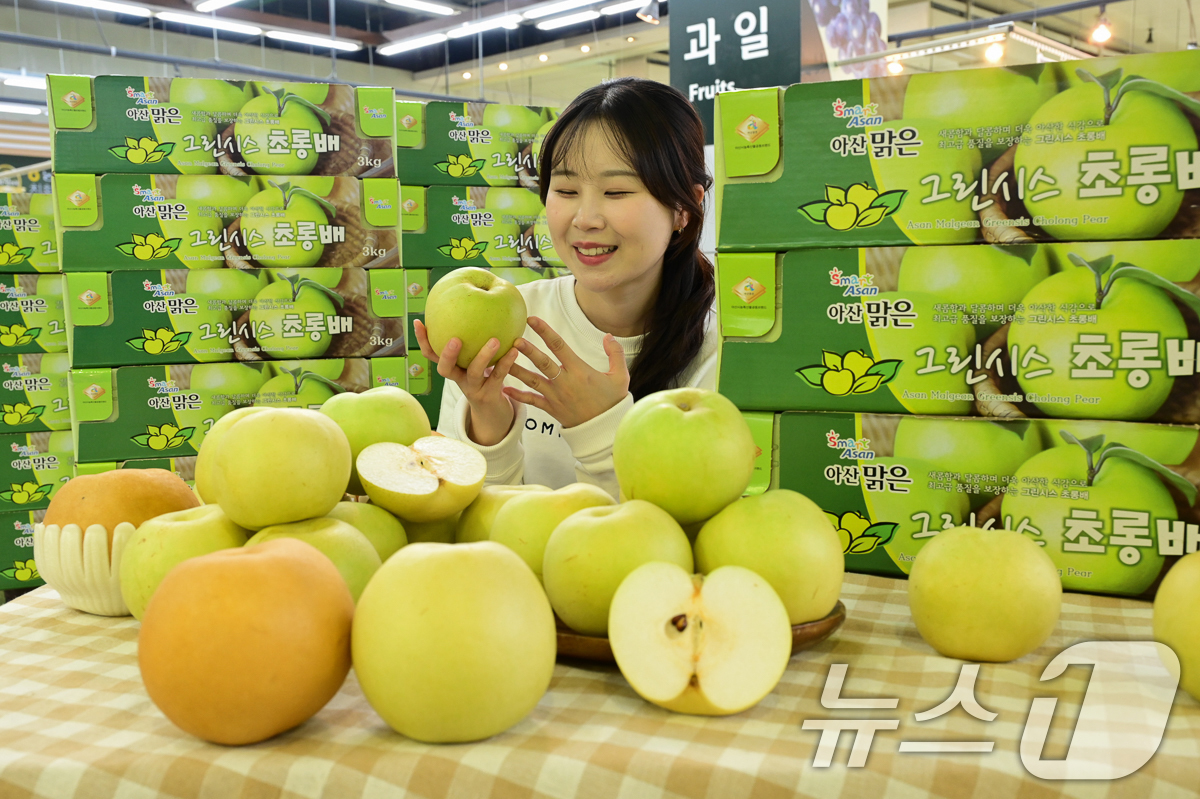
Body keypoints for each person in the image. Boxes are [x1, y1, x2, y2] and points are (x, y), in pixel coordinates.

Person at [413, 77, 718, 499]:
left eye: (616, 191)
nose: (585, 218)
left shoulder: (724, 347)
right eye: (566, 190)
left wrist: (598, 428)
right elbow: (466, 518)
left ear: (685, 207)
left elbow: (673, 534)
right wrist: (488, 420)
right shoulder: (510, 324)